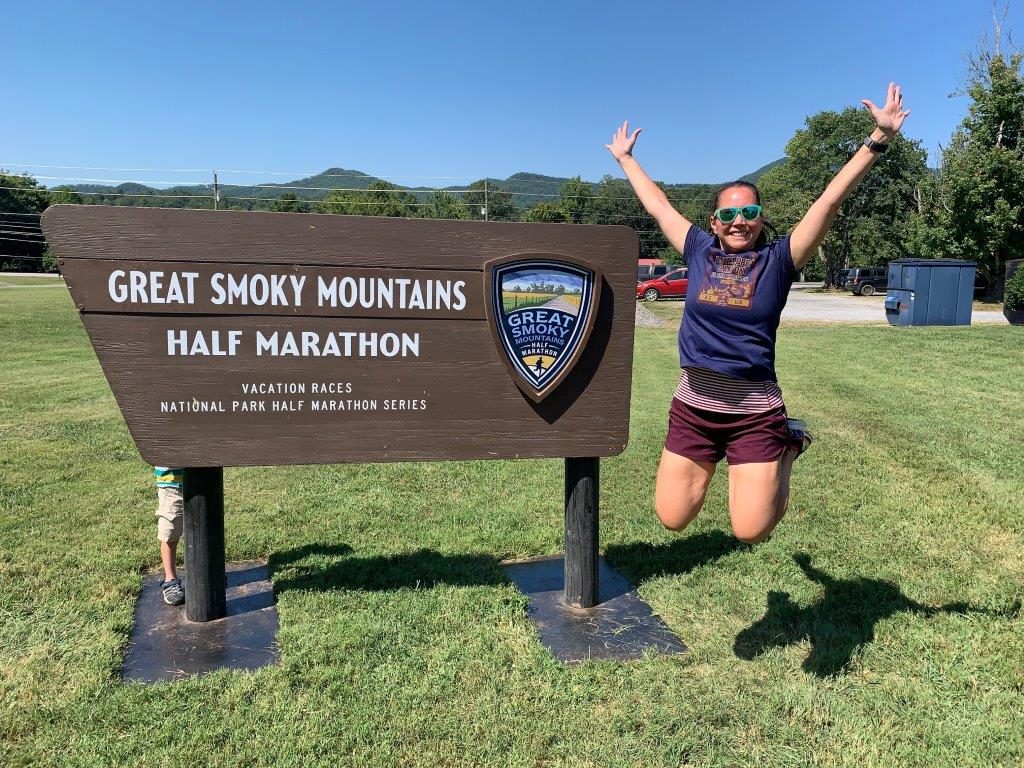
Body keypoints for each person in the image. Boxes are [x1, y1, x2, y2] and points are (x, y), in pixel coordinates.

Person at [606, 83, 909, 544]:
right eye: (728, 214)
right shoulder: (698, 249)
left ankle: (787, 445)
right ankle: (761, 455)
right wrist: (626, 160)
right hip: (694, 408)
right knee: (672, 518)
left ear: (762, 218)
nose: (738, 220)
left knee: (752, 531)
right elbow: (658, 205)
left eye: (749, 211)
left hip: (753, 412)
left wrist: (876, 140)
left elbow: (829, 201)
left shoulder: (781, 261)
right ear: (714, 222)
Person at [154, 466, 185, 604]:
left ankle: (208, 572)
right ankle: (170, 579)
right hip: (172, 483)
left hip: (204, 478)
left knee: (207, 525)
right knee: (170, 530)